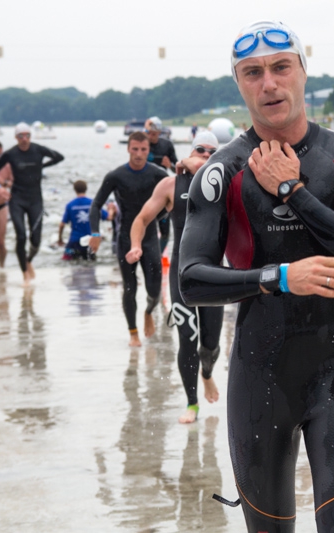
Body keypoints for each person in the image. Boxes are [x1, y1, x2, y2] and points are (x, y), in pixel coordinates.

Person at [178, 20, 334, 533]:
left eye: (280, 68)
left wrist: (295, 192)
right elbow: (190, 279)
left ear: (301, 72)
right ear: (239, 83)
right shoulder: (221, 171)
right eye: (253, 73)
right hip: (260, 376)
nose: (268, 83)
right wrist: (277, 277)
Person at [126, 131, 223, 424]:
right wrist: (134, 245)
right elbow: (142, 219)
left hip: (216, 272)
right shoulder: (171, 184)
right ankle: (191, 403)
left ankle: (207, 373)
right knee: (186, 338)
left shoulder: (227, 184)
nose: (205, 155)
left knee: (210, 344)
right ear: (191, 151)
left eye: (212, 152)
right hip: (182, 272)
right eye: (200, 150)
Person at [89, 131, 166, 347]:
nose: (139, 154)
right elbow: (96, 205)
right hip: (125, 239)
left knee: (154, 290)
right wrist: (96, 232)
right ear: (128, 148)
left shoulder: (158, 174)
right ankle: (133, 333)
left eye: (143, 150)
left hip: (150, 239)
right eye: (135, 149)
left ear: (149, 150)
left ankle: (148, 312)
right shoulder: (116, 176)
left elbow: (175, 196)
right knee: (129, 287)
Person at [0, 122, 64, 284]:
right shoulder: (10, 154)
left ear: (31, 136)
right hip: (17, 199)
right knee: (21, 236)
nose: (25, 139)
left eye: (27, 135)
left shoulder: (38, 149)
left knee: (35, 240)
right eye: (21, 136)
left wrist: (42, 166)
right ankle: (24, 274)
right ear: (16, 138)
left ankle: (28, 260)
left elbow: (59, 157)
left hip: (35, 200)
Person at [145, 117, 176, 257]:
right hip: (146, 190)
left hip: (162, 192)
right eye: (149, 133)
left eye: (154, 133)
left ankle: (156, 256)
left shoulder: (167, 145)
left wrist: (170, 165)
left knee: (165, 232)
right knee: (145, 225)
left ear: (159, 132)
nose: (151, 136)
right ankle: (143, 254)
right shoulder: (143, 145)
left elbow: (178, 170)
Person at [58, 180, 109, 261]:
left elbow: (62, 224)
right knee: (91, 263)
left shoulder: (70, 205)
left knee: (66, 261)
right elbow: (108, 217)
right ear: (86, 189)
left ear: (75, 190)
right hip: (90, 241)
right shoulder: (93, 204)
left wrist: (60, 239)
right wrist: (112, 210)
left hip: (74, 241)